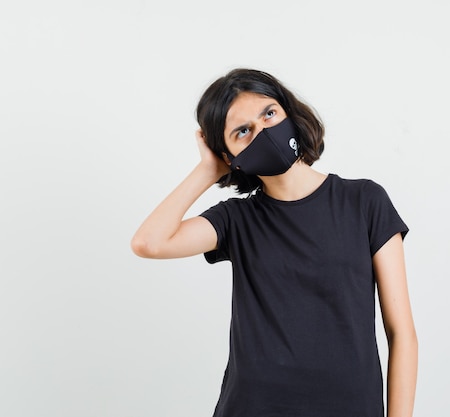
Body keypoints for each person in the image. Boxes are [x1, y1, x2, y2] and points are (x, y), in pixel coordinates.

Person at [131, 68, 418, 417]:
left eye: (269, 113)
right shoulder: (236, 220)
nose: (263, 132)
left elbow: (401, 332)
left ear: (288, 112)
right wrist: (208, 170)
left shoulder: (364, 201)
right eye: (242, 132)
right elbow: (149, 242)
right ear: (230, 157)